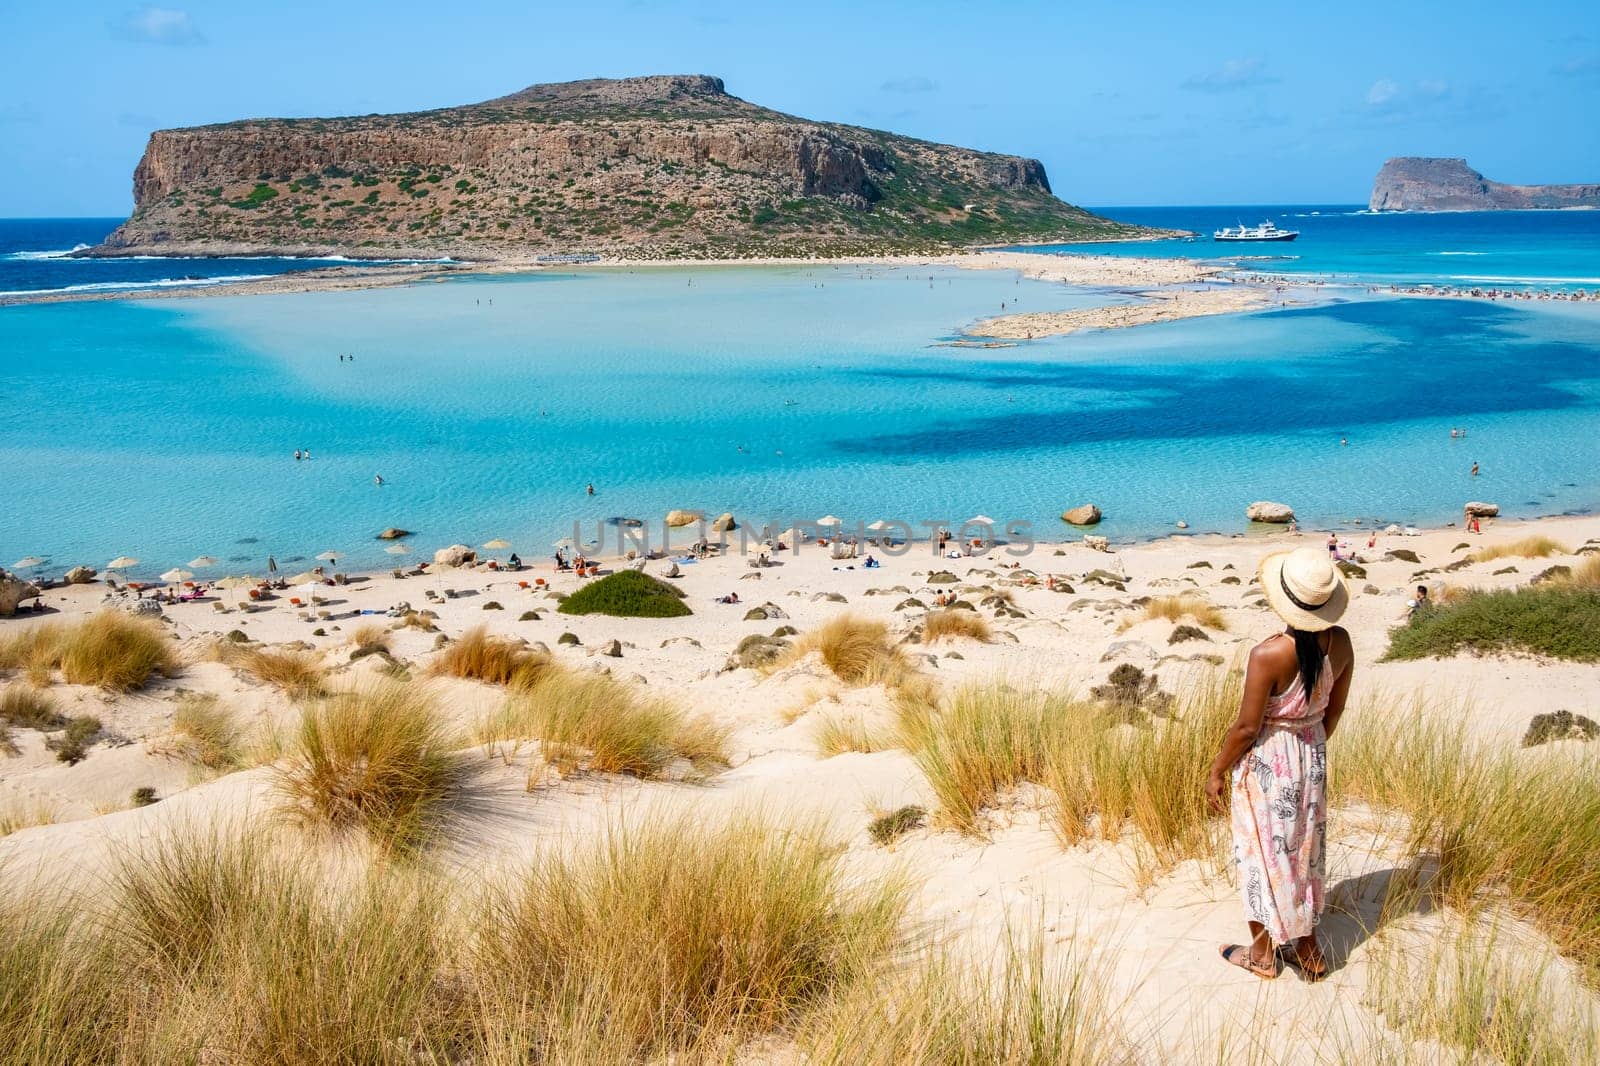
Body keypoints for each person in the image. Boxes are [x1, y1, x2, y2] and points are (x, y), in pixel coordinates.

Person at [1207, 547, 1353, 982]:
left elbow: (1246, 728)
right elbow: (1335, 708)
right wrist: (1309, 741)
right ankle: (1308, 951)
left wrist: (1216, 770)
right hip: (1313, 752)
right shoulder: (1341, 641)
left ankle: (1263, 954)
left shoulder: (1267, 654)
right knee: (1304, 850)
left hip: (1271, 758)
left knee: (1260, 856)